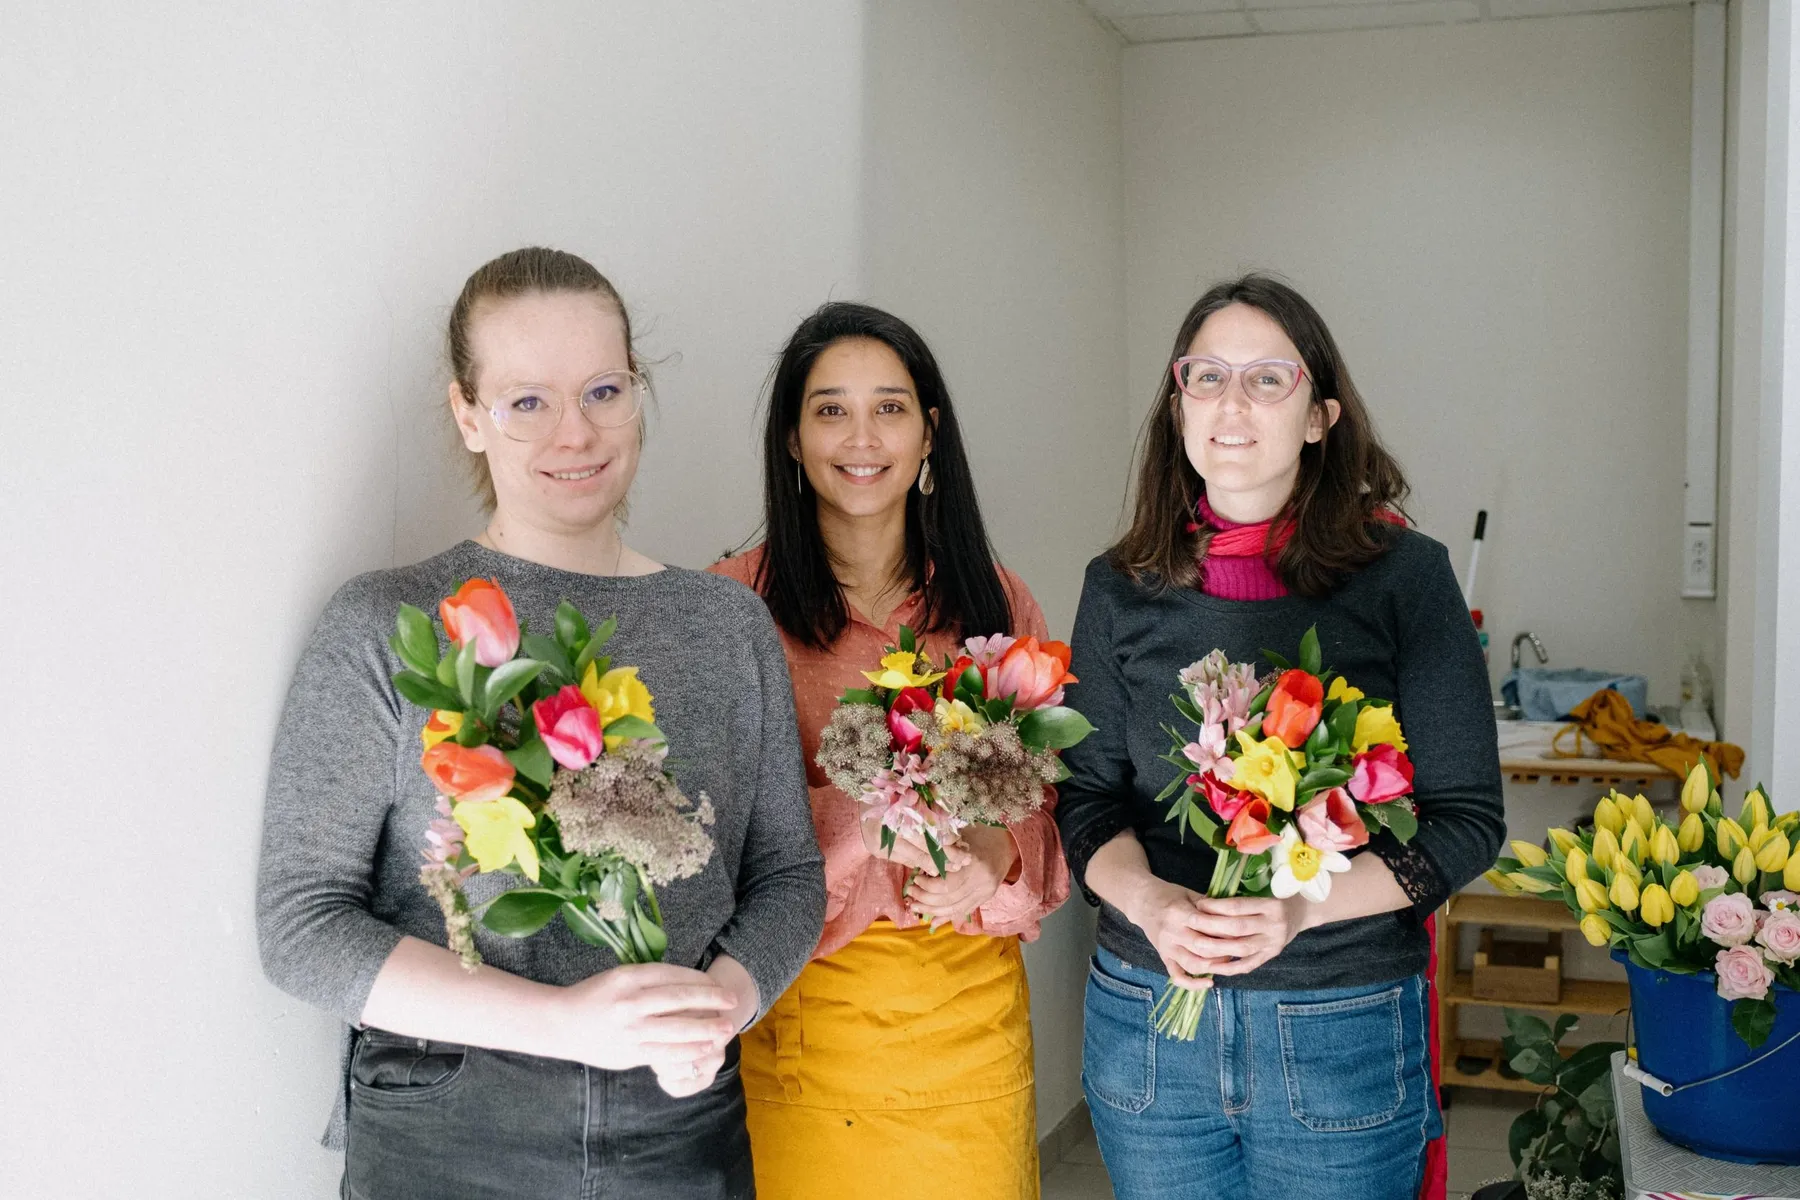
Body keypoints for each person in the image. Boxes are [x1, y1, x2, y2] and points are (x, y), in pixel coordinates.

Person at [257, 247, 824, 1199]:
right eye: (528, 401)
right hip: (447, 1127)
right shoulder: (385, 625)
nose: (577, 432)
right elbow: (302, 924)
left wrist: (720, 1003)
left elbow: (787, 875)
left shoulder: (727, 625)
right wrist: (564, 1024)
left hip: (679, 1123)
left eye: (604, 390)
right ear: (467, 415)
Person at [1054, 274, 1504, 1200]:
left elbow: (1465, 822)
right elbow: (1087, 799)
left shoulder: (1406, 579)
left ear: (1319, 417)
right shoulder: (1118, 586)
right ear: (1177, 406)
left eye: (1268, 378)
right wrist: (1153, 903)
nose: (1232, 402)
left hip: (1339, 1023)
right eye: (1207, 375)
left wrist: (1300, 911)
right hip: (1149, 1021)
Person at [710, 301, 1070, 1199]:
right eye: (830, 409)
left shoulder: (998, 603)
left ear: (929, 433)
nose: (862, 437)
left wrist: (995, 850)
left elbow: (1050, 804)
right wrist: (863, 821)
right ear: (792, 439)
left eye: (890, 408)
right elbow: (712, 832)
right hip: (808, 1025)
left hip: (969, 1030)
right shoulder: (730, 608)